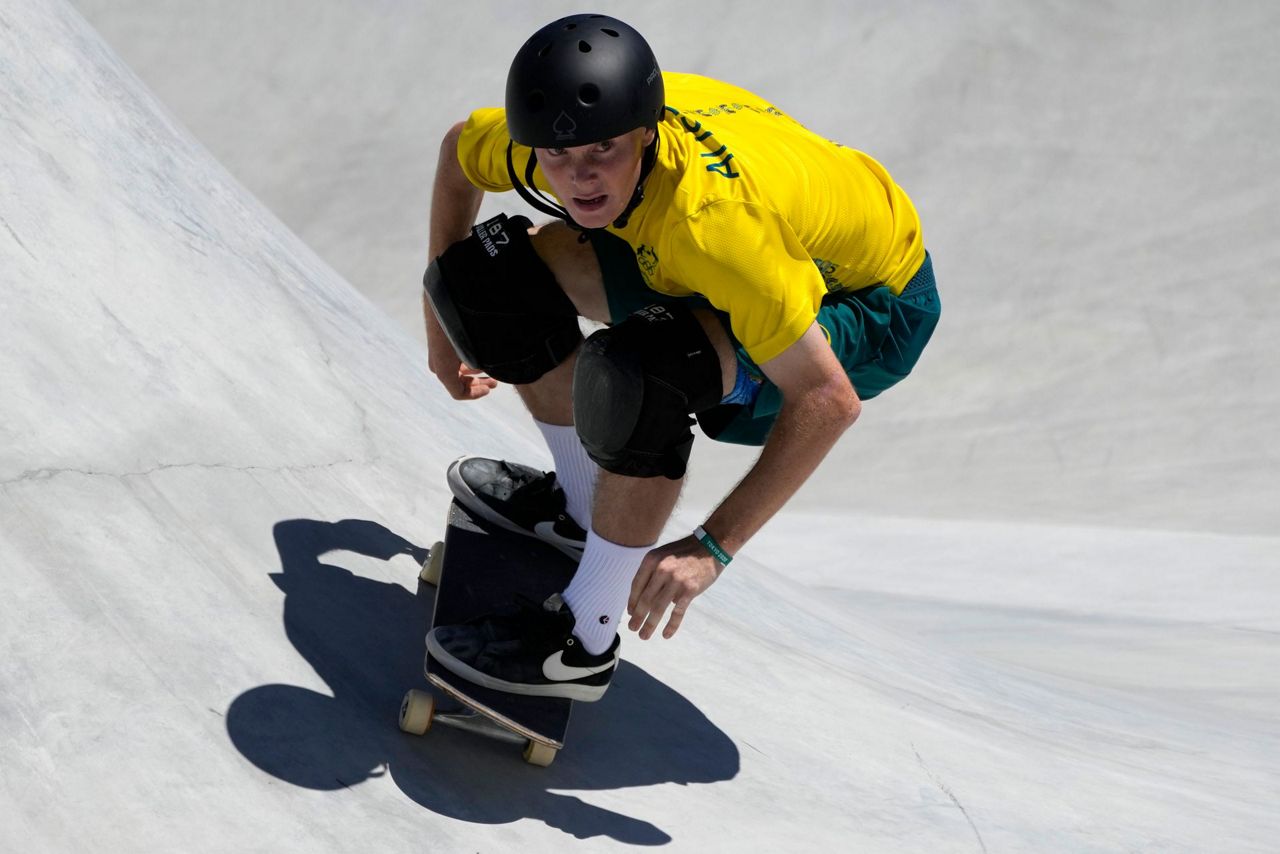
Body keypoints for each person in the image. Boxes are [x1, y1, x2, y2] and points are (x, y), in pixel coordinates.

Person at [421, 14, 939, 702]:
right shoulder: (556, 144)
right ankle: (584, 508)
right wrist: (439, 335)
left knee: (642, 374)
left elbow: (828, 400)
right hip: (723, 241)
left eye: (603, 151)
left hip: (870, 305)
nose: (579, 178)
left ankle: (585, 638)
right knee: (484, 281)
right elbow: (460, 150)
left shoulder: (715, 223)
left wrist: (710, 548)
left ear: (645, 131)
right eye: (558, 158)